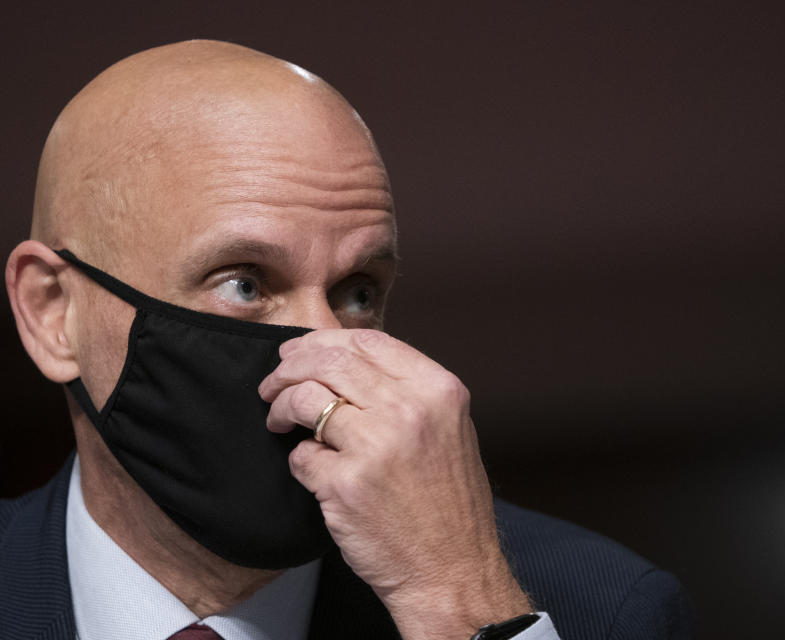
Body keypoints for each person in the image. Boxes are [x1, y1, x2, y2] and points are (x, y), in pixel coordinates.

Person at [0, 40, 691, 640]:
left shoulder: (601, 613)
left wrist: (457, 609)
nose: (326, 352)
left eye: (357, 291)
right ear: (52, 312)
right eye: (244, 283)